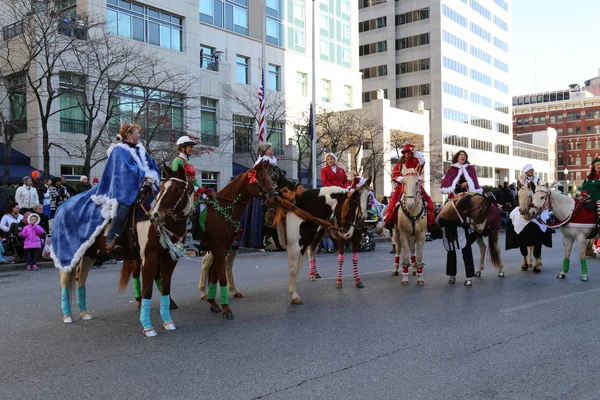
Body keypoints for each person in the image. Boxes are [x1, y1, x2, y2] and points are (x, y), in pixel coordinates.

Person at [51, 123, 160, 270]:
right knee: (124, 205)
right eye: (137, 133)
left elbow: (152, 164)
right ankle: (112, 237)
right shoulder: (118, 151)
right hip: (124, 187)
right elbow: (124, 171)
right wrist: (144, 175)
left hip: (144, 185)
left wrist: (152, 174)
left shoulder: (141, 150)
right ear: (128, 135)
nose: (139, 136)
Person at [438, 150, 480, 286]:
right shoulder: (452, 169)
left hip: (467, 196)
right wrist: (453, 188)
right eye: (461, 155)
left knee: (473, 209)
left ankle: (476, 226)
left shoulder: (470, 169)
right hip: (453, 197)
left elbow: (475, 184)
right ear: (457, 157)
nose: (463, 156)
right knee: (442, 212)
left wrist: (468, 184)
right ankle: (452, 274)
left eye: (465, 155)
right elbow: (446, 184)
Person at [384, 144, 441, 239]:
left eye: (409, 152)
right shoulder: (400, 164)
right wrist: (405, 179)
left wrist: (416, 152)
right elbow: (395, 176)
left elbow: (423, 162)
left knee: (429, 201)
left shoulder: (416, 161)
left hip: (416, 185)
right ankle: (390, 221)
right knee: (393, 202)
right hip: (403, 185)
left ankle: (431, 223)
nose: (407, 154)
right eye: (405, 152)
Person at [255, 142, 301, 248]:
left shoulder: (274, 166)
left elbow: (284, 179)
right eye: (269, 149)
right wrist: (273, 191)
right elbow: (262, 182)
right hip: (265, 195)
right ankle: (265, 242)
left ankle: (275, 242)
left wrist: (296, 184)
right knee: (269, 219)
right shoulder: (261, 166)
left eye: (272, 149)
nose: (272, 150)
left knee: (275, 219)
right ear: (264, 152)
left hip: (275, 194)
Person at [506, 164, 552, 269]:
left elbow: (540, 188)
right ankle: (513, 232)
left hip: (535, 202)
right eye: (529, 170)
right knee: (513, 214)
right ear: (525, 171)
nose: (531, 171)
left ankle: (548, 231)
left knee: (546, 215)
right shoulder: (520, 180)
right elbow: (520, 191)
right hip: (523, 201)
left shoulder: (537, 179)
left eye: (532, 170)